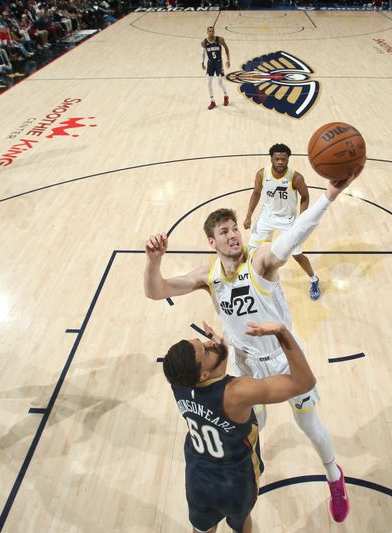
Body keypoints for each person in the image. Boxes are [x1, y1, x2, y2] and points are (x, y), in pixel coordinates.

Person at [145, 176, 357, 524]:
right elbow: (157, 291)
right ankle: (251, 467)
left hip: (283, 358)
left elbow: (291, 238)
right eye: (224, 232)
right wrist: (154, 261)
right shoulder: (208, 276)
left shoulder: (259, 262)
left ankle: (335, 477)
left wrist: (328, 198)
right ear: (211, 242)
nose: (232, 235)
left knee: (309, 425)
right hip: (246, 365)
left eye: (234, 229)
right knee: (252, 422)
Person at [163, 321, 316, 533]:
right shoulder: (236, 393)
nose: (209, 343)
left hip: (197, 478)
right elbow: (304, 383)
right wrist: (282, 334)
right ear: (204, 375)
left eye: (203, 341)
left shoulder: (179, 381)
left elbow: (206, 372)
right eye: (206, 350)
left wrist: (216, 350)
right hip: (236, 484)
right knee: (242, 525)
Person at [243, 143, 321, 300]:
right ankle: (248, 282)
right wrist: (249, 215)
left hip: (288, 221)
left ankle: (314, 280)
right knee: (251, 251)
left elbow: (305, 196)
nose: (280, 162)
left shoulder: (296, 177)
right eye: (277, 159)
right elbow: (256, 193)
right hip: (267, 217)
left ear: (288, 160)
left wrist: (302, 218)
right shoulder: (262, 174)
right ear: (271, 158)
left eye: (283, 159)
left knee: (297, 255)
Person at [201, 26, 230, 110]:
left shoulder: (219, 39)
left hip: (218, 63)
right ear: (207, 32)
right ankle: (212, 100)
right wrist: (202, 63)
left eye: (212, 31)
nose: (211, 32)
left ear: (214, 32)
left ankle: (226, 96)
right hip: (210, 64)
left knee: (219, 82)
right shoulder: (204, 42)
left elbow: (226, 48)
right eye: (209, 31)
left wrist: (228, 60)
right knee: (208, 83)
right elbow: (203, 53)